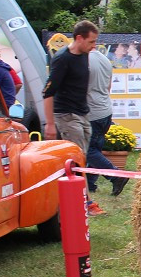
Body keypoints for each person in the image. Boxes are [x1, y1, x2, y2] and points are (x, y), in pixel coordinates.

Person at [43, 20, 101, 215]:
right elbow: (48, 92)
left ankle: (81, 200)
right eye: (91, 42)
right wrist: (50, 123)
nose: (94, 47)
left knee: (82, 157)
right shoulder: (62, 59)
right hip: (66, 115)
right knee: (75, 160)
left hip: (82, 113)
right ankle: (85, 203)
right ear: (79, 38)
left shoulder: (83, 55)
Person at [85, 48, 129, 199]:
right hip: (105, 110)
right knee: (95, 148)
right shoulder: (104, 60)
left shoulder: (85, 60)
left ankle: (116, 176)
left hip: (92, 111)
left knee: (88, 150)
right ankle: (90, 184)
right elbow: (108, 87)